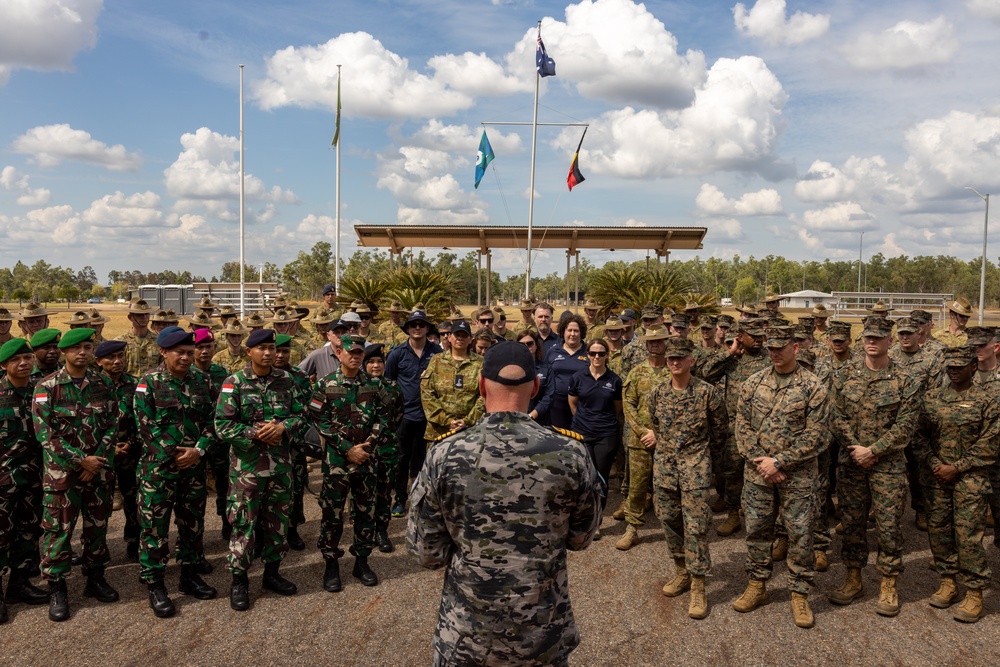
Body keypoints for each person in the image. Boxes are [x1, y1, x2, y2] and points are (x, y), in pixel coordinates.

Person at [406, 341, 603, 666]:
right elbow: (581, 539)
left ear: (481, 386)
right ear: (536, 386)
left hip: (467, 639)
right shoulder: (571, 454)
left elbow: (427, 554)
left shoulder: (444, 455)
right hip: (542, 639)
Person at [732, 326, 829, 629]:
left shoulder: (813, 387)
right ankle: (757, 584)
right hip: (759, 473)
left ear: (795, 348)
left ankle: (799, 593)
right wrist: (762, 463)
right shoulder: (753, 383)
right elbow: (741, 426)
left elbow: (819, 435)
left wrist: (779, 461)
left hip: (797, 475)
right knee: (757, 529)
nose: (773, 353)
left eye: (780, 348)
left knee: (800, 534)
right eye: (771, 348)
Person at [828, 316, 919, 617]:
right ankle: (853, 577)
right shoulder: (845, 375)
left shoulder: (905, 379)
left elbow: (907, 425)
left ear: (890, 342)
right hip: (852, 462)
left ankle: (888, 582)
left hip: (887, 466)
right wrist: (856, 448)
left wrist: (874, 450)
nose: (872, 342)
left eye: (879, 338)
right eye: (868, 337)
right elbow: (835, 415)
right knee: (852, 524)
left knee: (889, 525)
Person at [31, 328, 120, 622]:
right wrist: (81, 461)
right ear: (65, 353)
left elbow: (112, 424)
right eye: (76, 348)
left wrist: (97, 460)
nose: (82, 352)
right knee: (58, 533)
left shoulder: (102, 383)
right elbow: (46, 435)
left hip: (97, 473)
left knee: (97, 528)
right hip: (63, 476)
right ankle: (58, 588)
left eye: (87, 346)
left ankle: (95, 578)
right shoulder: (47, 386)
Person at [215, 328, 307, 611]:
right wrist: (255, 433)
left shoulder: (286, 380)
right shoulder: (235, 383)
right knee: (244, 523)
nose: (270, 353)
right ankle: (240, 580)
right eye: (262, 348)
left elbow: (301, 414)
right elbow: (222, 425)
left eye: (272, 348)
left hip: (280, 466)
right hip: (248, 469)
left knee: (277, 522)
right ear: (249, 352)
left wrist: (283, 426)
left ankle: (272, 574)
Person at [133, 327, 218, 618]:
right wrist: (175, 454)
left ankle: (190, 575)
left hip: (193, 468)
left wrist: (198, 451)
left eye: (189, 352)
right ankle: (155, 585)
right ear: (163, 352)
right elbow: (146, 427)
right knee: (154, 530)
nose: (186, 357)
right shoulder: (149, 383)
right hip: (158, 471)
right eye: (179, 352)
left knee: (192, 526)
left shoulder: (202, 381)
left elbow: (213, 420)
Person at [915, 346, 999, 623]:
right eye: (949, 365)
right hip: (937, 475)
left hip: (970, 478)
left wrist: (957, 467)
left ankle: (974, 591)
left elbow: (991, 442)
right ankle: (948, 581)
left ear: (974, 367)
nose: (953, 369)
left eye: (959, 366)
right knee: (939, 530)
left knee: (968, 535)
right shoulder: (931, 398)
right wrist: (934, 463)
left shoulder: (989, 400)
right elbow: (918, 437)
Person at [648, 337, 727, 620]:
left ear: (691, 361)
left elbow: (719, 432)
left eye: (680, 358)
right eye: (670, 358)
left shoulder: (708, 394)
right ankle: (681, 570)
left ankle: (698, 583)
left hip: (695, 469)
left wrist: (707, 462)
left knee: (695, 527)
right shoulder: (657, 394)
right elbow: (656, 427)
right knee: (668, 520)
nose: (674, 362)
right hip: (666, 468)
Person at [310, 335, 384, 591]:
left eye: (359, 353)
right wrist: (347, 449)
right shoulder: (325, 384)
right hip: (337, 463)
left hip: (366, 460)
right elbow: (320, 420)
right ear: (339, 353)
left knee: (366, 512)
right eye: (350, 352)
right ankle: (331, 563)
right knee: (332, 514)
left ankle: (361, 560)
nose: (355, 357)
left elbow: (383, 418)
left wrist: (368, 447)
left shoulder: (375, 384)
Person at [702, 318, 772, 537]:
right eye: (754, 336)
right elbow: (705, 375)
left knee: (763, 474)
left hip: (764, 429)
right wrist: (729, 352)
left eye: (761, 335)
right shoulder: (732, 360)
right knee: (732, 472)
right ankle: (733, 514)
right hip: (734, 429)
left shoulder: (770, 359)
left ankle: (766, 522)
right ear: (741, 337)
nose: (759, 340)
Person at [0, 338, 50, 621]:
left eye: (27, 359)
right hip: (3, 478)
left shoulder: (40, 391)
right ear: (4, 365)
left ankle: (19, 585)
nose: (23, 364)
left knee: (29, 531)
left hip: (33, 476)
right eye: (16, 360)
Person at [618, 324, 672, 551]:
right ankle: (632, 529)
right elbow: (628, 404)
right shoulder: (637, 371)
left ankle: (672, 532)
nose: (655, 345)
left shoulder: (674, 371)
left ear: (665, 343)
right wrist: (643, 432)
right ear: (646, 344)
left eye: (659, 341)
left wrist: (659, 434)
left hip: (668, 442)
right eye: (651, 342)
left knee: (668, 488)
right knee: (637, 487)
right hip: (639, 441)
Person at [385, 310, 442, 517]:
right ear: (407, 329)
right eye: (413, 324)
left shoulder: (438, 353)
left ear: (427, 328)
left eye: (421, 324)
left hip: (430, 417)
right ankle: (400, 499)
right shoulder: (396, 354)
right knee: (401, 459)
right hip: (404, 417)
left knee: (424, 460)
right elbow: (388, 384)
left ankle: (420, 498)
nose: (417, 328)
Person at [890, 317, 943, 532]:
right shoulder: (890, 355)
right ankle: (879, 509)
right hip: (892, 423)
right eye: (901, 333)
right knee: (888, 469)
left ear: (917, 334)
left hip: (918, 424)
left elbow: (934, 393)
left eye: (908, 333)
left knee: (919, 470)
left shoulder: (930, 359)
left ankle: (921, 509)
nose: (904, 337)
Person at [567, 338, 622, 536]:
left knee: (600, 479)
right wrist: (583, 422)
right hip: (582, 433)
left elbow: (616, 408)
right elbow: (573, 403)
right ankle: (581, 519)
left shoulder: (614, 380)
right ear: (587, 355)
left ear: (607, 355)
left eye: (601, 353)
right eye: (593, 353)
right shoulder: (578, 377)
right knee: (584, 479)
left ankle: (596, 522)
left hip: (606, 435)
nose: (597, 357)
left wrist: (599, 422)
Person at [94, 340, 141, 562]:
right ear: (99, 361)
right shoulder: (92, 386)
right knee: (100, 503)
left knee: (134, 500)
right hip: (102, 455)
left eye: (121, 356)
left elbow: (144, 420)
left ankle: (134, 542)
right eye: (111, 358)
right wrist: (109, 448)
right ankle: (98, 547)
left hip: (130, 453)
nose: (117, 361)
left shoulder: (136, 384)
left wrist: (131, 443)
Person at [190, 328, 232, 540]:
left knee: (225, 483)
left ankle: (227, 521)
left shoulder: (222, 374)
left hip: (219, 440)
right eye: (199, 347)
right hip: (194, 440)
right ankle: (196, 534)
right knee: (194, 490)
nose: (204, 351)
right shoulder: (185, 373)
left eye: (208, 346)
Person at [273, 334, 312, 551]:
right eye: (277, 350)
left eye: (284, 351)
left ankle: (293, 529)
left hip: (294, 445)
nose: (280, 355)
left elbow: (308, 411)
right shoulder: (257, 375)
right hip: (267, 446)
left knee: (296, 488)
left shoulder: (300, 376)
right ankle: (265, 533)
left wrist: (292, 433)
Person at [364, 345, 403, 553]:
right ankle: (365, 533)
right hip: (364, 451)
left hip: (387, 448)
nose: (376, 365)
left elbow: (398, 414)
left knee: (385, 492)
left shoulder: (393, 387)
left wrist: (385, 436)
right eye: (371, 362)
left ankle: (381, 531)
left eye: (379, 362)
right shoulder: (358, 386)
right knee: (363, 494)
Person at [420, 320, 483, 443]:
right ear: (449, 337)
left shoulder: (481, 363)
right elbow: (427, 394)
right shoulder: (437, 360)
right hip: (439, 432)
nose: (460, 338)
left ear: (471, 339)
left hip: (470, 432)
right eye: (457, 335)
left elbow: (485, 395)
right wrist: (447, 421)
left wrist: (467, 421)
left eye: (464, 335)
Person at [542, 314, 588, 430]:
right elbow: (545, 375)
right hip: (556, 404)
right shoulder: (553, 351)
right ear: (563, 331)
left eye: (576, 331)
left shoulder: (589, 352)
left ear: (581, 332)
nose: (572, 334)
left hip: (582, 404)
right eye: (569, 330)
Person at [117, 299, 160, 378]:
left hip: (152, 386)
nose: (144, 317)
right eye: (139, 315)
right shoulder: (120, 342)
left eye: (146, 314)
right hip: (129, 386)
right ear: (130, 317)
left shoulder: (159, 341)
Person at [518, 330, 551, 422]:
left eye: (530, 344)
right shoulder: (512, 370)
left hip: (541, 419)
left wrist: (532, 415)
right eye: (522, 344)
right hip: (518, 418)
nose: (526, 347)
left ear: (536, 345)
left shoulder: (546, 368)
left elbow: (549, 396)